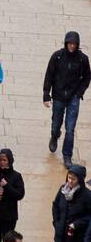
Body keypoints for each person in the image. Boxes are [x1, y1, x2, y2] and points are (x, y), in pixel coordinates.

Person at [44, 32, 90, 162]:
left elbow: (87, 77)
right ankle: (54, 135)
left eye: (74, 44)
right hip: (58, 96)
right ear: (66, 43)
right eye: (69, 43)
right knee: (56, 123)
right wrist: (46, 95)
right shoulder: (57, 56)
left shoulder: (83, 59)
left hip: (73, 98)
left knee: (70, 129)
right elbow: (49, 76)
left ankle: (67, 155)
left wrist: (79, 93)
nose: (72, 46)